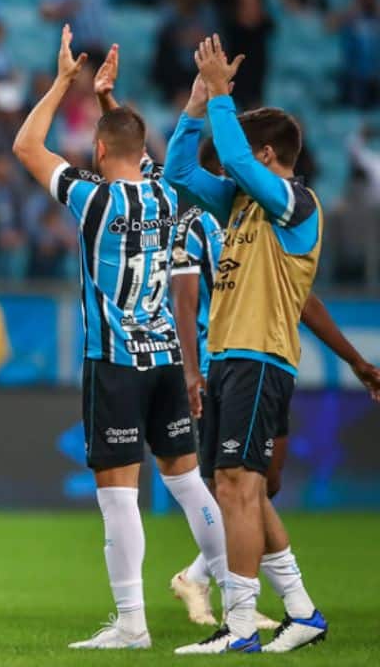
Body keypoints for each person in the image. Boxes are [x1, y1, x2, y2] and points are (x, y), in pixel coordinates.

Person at [13, 26, 227, 650]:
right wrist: (109, 99)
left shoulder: (93, 200)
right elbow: (134, 147)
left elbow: (27, 146)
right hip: (167, 357)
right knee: (189, 484)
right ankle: (237, 599)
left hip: (115, 360)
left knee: (117, 496)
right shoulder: (166, 193)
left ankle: (132, 623)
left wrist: (62, 83)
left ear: (100, 151)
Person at [164, 37, 380, 653]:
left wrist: (224, 100)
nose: (231, 165)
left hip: (261, 357)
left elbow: (228, 149)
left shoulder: (295, 204)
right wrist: (200, 99)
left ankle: (238, 626)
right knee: (244, 491)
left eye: (243, 156)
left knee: (236, 485)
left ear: (265, 155)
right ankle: (304, 614)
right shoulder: (240, 204)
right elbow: (181, 170)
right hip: (230, 357)